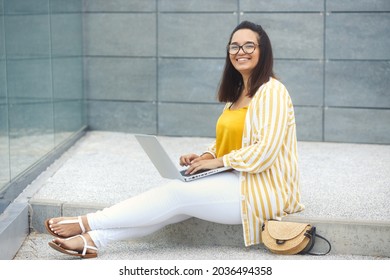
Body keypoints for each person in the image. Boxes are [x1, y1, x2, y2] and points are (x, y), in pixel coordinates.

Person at [45, 20, 305, 258]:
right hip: (236, 179)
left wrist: (216, 163)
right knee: (173, 203)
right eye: (234, 46)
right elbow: (232, 141)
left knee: (176, 194)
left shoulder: (272, 91)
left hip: (263, 190)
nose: (241, 51)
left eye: (249, 45)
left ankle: (86, 223)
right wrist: (206, 156)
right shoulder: (238, 93)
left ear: (263, 51)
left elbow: (265, 151)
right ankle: (93, 241)